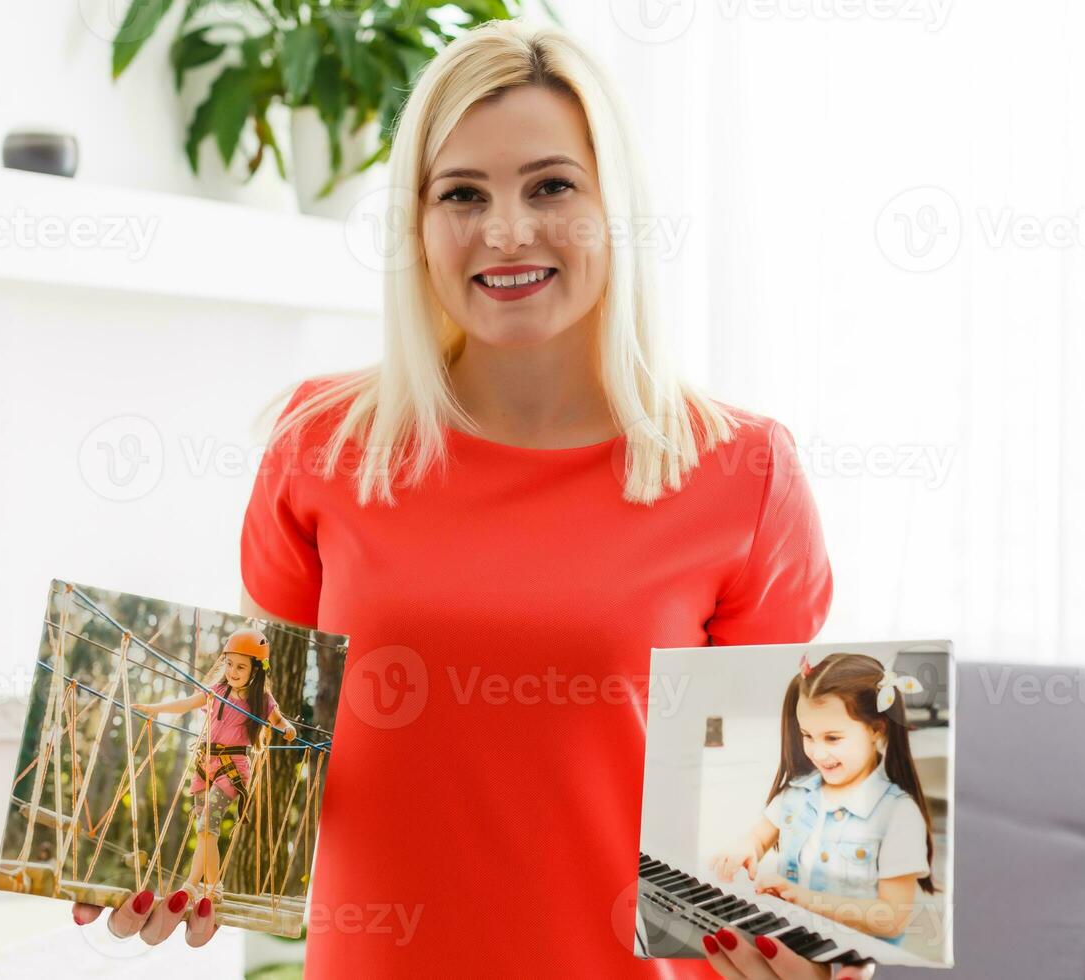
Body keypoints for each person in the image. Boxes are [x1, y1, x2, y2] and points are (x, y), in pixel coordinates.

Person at [74, 17, 861, 979]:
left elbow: (780, 803)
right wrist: (166, 854)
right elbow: (253, 746)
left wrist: (822, 943)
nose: (506, 231)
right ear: (418, 222)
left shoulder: (742, 471)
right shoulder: (323, 446)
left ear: (616, 206)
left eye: (551, 186)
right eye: (462, 194)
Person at [709, 653, 937, 954]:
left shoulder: (898, 813)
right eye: (807, 735)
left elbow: (892, 918)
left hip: (858, 958)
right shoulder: (796, 795)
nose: (816, 753)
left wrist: (803, 898)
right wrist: (744, 849)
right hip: (795, 945)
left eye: (832, 738)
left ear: (876, 729)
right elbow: (758, 837)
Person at [129, 627, 298, 900]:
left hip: (233, 767)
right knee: (206, 832)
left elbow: (280, 722)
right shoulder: (216, 690)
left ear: (256, 670)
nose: (232, 670)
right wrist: (155, 708)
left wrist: (289, 729)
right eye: (229, 664)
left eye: (241, 666)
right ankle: (211, 886)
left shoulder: (262, 701)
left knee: (207, 823)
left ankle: (192, 885)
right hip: (204, 765)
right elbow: (185, 703)